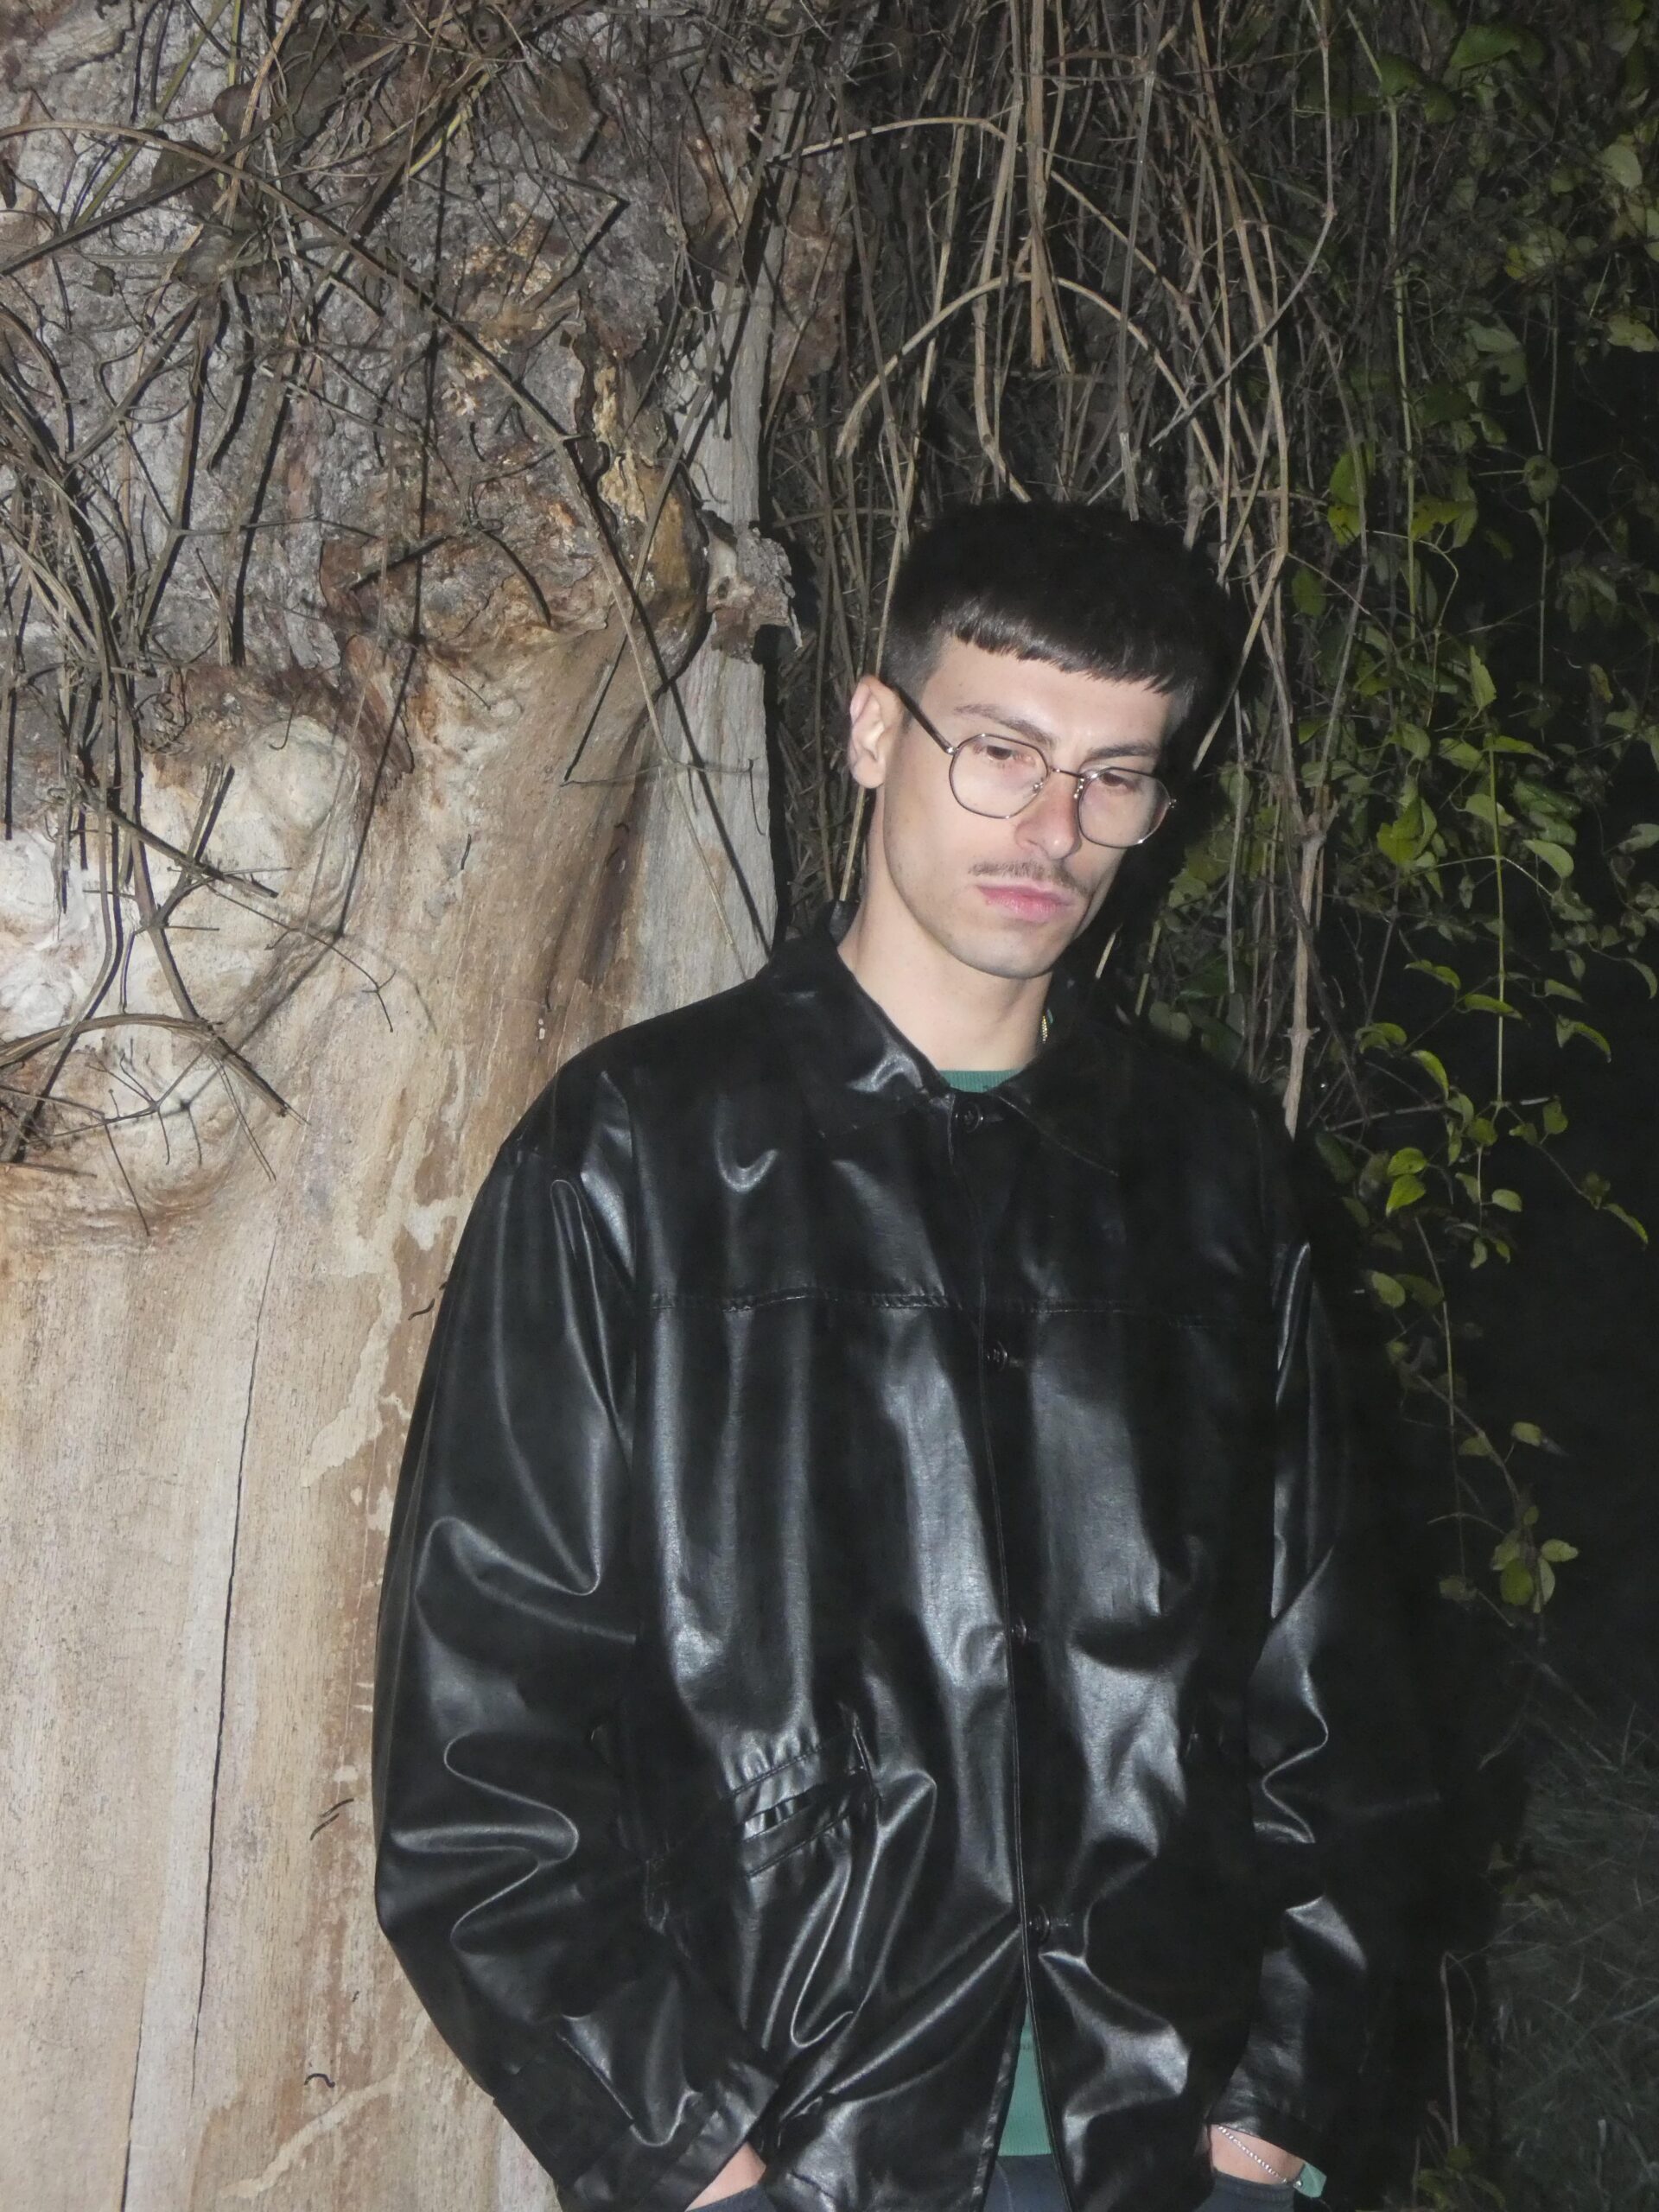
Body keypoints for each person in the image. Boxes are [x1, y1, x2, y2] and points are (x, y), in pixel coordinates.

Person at [372, 501, 1433, 2212]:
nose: (1055, 829)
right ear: (877, 730)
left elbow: (1335, 1696)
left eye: (1114, 775)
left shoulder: (1214, 1178)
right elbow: (480, 1754)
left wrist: (1272, 2124)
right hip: (791, 2148)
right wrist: (695, 2158)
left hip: (1162, 2148)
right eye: (1001, 751)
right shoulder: (634, 1155)